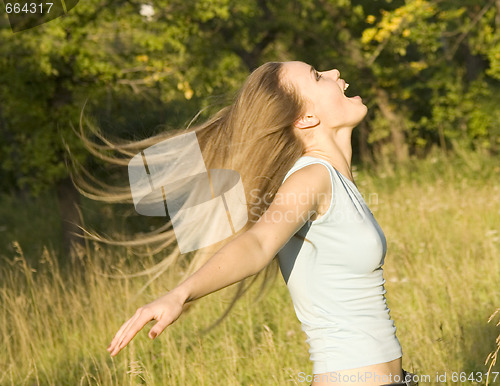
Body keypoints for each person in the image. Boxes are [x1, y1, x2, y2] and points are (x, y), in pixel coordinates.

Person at [99, 61, 417, 385]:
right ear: (307, 118)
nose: (336, 74)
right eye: (318, 76)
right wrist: (180, 294)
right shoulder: (312, 177)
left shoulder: (335, 178)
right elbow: (259, 242)